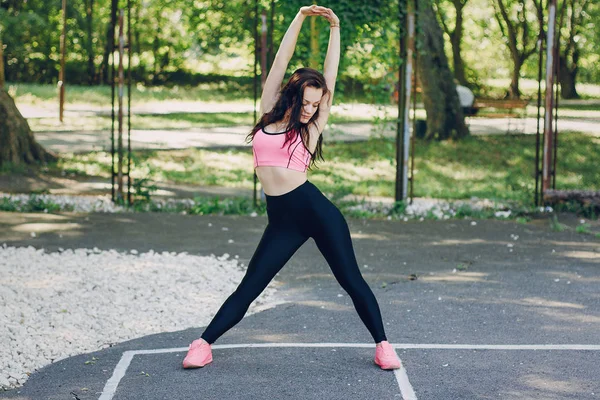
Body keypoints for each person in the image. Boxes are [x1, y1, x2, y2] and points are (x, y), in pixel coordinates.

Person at [183, 5, 402, 371]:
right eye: (306, 101)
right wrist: (299, 18)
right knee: (250, 286)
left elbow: (331, 75)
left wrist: (335, 28)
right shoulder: (270, 111)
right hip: (282, 221)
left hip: (317, 213)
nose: (311, 108)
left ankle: (383, 345)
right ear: (293, 95)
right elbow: (281, 62)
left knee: (351, 280)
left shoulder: (312, 127)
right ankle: (203, 344)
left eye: (317, 103)